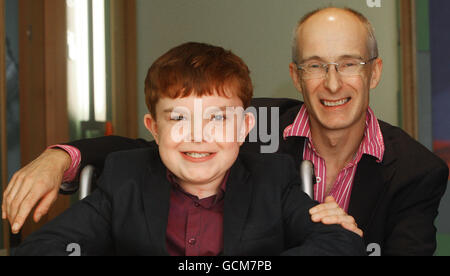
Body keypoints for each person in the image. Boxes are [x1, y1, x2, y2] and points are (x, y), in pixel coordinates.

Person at [3, 7, 448, 255]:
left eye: (349, 63)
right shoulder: (253, 119)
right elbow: (150, 150)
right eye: (316, 66)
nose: (332, 83)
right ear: (296, 76)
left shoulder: (416, 170)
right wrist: (61, 156)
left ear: (374, 72)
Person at [12, 42, 365, 256]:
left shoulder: (272, 178)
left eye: (217, 118)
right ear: (154, 128)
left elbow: (339, 244)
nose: (198, 135)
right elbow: (42, 248)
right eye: (179, 117)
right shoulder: (125, 179)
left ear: (244, 129)